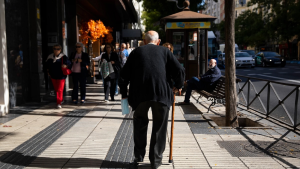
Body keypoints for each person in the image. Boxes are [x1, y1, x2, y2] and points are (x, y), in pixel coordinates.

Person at [119, 31, 185, 169]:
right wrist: (177, 86)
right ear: (158, 41)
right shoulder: (165, 52)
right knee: (159, 127)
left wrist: (124, 94)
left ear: (144, 41)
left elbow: (123, 75)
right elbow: (179, 70)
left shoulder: (136, 52)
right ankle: (155, 160)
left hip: (139, 95)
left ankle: (138, 156)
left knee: (139, 124)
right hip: (161, 94)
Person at [46, 44, 71, 109]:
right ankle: (61, 99)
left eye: (58, 49)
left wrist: (66, 66)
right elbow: (47, 65)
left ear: (60, 50)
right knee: (56, 89)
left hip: (61, 76)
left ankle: (58, 103)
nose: (56, 50)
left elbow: (69, 64)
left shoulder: (64, 57)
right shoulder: (50, 57)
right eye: (55, 49)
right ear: (53, 49)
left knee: (59, 90)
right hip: (53, 75)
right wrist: (48, 72)